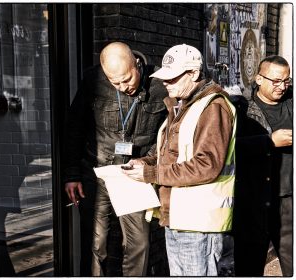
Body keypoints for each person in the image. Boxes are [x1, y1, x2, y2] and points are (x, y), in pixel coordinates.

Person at [123, 44, 236, 276]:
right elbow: (171, 154)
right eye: (165, 78)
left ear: (194, 74)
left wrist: (152, 174)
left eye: (173, 78)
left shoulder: (213, 107)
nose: (166, 83)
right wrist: (146, 162)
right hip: (178, 217)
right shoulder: (183, 106)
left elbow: (207, 165)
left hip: (199, 223)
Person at [62, 42, 168, 276]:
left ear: (136, 65)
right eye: (115, 82)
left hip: (133, 175)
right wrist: (72, 174)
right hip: (96, 173)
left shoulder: (159, 85)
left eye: (127, 79)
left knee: (139, 243)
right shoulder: (93, 81)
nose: (122, 87)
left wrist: (149, 163)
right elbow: (74, 128)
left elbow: (166, 135)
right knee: (95, 244)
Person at [232, 55, 292, 276]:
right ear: (259, 78)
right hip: (252, 200)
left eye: (286, 81)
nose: (282, 87)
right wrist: (268, 141)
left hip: (288, 200)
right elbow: (227, 149)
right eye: (276, 81)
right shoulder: (240, 107)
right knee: (248, 266)